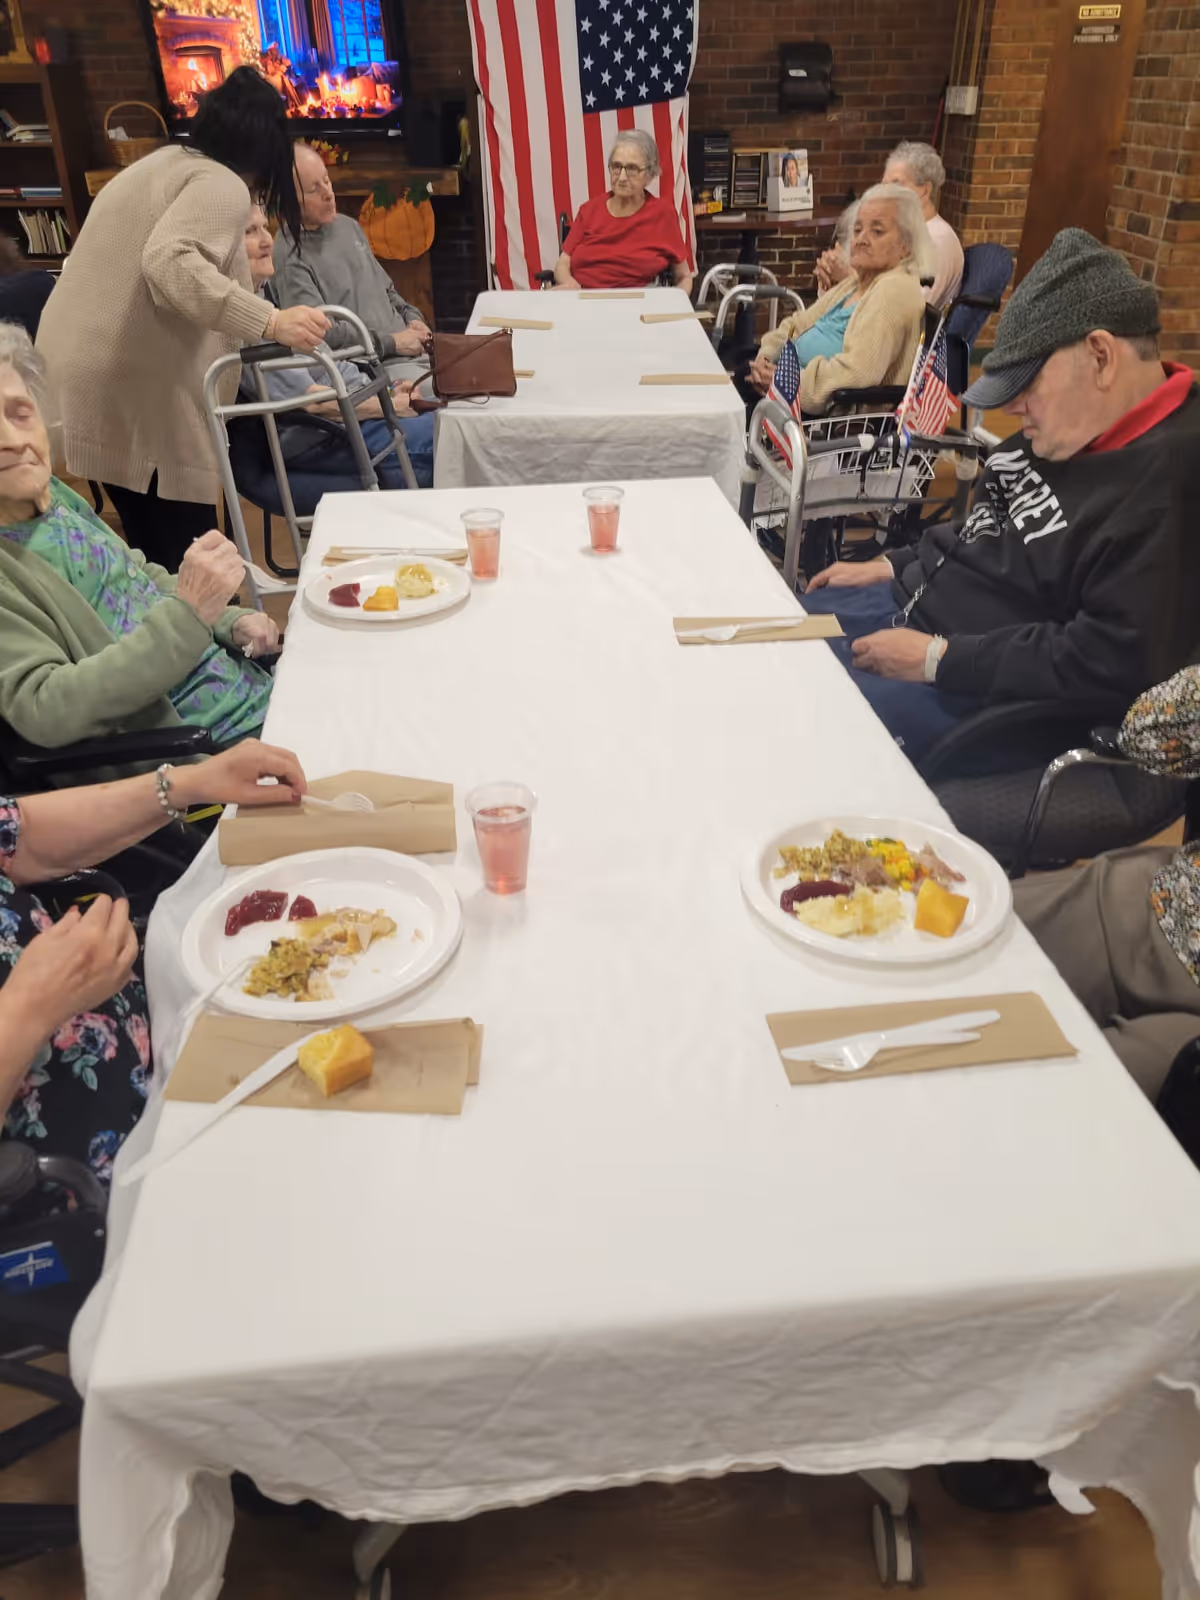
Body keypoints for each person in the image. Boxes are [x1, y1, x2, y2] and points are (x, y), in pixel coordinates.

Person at [802, 229, 1200, 763]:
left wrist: (939, 660)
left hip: (978, 691)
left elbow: (1106, 661)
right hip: (912, 609)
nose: (1013, 410)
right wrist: (896, 564)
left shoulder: (1167, 486)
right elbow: (988, 526)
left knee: (801, 734)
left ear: (1101, 357)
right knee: (771, 650)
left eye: (1028, 386)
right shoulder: (1074, 426)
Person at [35, 68, 330, 572]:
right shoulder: (222, 185)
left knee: (158, 555)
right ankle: (207, 644)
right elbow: (169, 263)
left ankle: (194, 640)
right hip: (126, 386)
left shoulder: (163, 165)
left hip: (71, 380)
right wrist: (271, 320)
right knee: (191, 558)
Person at [0, 738, 306, 1181]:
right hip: (92, 1177)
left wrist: (183, 784)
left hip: (163, 1031)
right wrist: (28, 1009)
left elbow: (18, 837)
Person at [0, 326, 278, 758]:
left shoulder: (53, 496)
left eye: (20, 414)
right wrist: (190, 616)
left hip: (257, 695)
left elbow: (139, 577)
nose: (13, 441)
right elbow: (45, 708)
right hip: (208, 754)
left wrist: (227, 619)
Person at [1015, 666, 1200, 1103]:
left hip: (1188, 1027)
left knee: (1036, 1107)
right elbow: (1145, 734)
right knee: (945, 950)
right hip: (1154, 900)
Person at [241, 205, 434, 489]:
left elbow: (335, 371)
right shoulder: (249, 326)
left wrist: (389, 391)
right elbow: (315, 403)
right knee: (457, 437)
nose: (268, 240)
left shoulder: (270, 307)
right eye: (250, 232)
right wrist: (389, 405)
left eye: (263, 228)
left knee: (460, 424)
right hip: (332, 437)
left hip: (358, 418)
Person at [745, 185, 929, 415]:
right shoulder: (859, 282)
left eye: (877, 231)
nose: (861, 239)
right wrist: (766, 357)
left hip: (827, 420)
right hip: (787, 391)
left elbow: (857, 373)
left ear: (905, 246)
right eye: (858, 230)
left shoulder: (894, 289)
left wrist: (786, 382)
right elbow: (798, 322)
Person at [273, 142, 432, 383]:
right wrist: (393, 342)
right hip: (374, 367)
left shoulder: (349, 226)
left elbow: (387, 291)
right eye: (314, 189)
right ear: (290, 200)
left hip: (411, 349)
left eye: (326, 180)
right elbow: (321, 335)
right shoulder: (290, 254)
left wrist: (414, 319)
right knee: (465, 402)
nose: (328, 192)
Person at [816, 142, 963, 310]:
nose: (885, 194)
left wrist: (848, 277)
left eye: (896, 185)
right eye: (883, 185)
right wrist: (831, 279)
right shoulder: (897, 232)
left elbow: (906, 310)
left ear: (925, 190)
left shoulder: (938, 241)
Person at [552, 130, 693, 295]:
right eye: (617, 167)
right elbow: (563, 263)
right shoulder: (589, 210)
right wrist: (570, 284)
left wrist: (677, 305)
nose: (622, 177)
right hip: (584, 300)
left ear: (649, 175)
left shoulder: (662, 215)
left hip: (638, 304)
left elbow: (684, 276)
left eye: (632, 169)